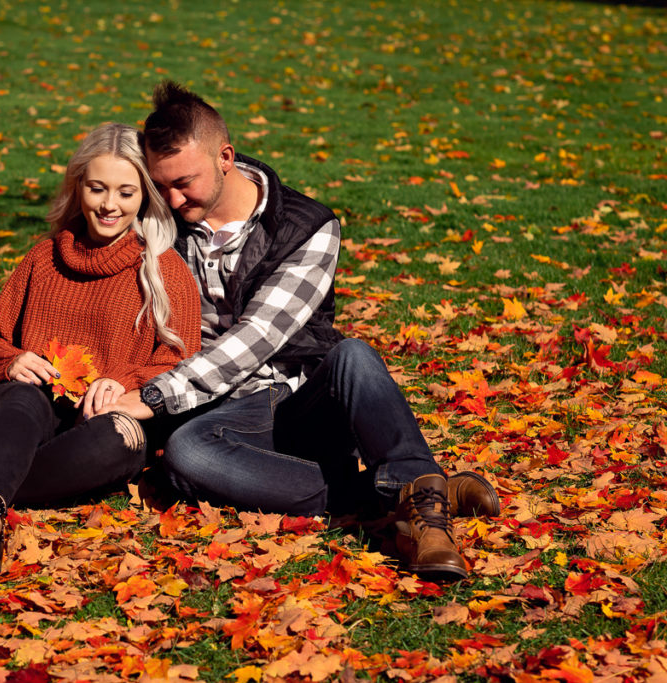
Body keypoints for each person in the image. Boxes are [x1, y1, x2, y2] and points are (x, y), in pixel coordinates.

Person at [100, 82, 499, 581]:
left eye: (184, 182)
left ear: (225, 156)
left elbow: (259, 336)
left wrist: (156, 397)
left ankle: (426, 520)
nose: (173, 199)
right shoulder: (161, 217)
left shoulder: (308, 226)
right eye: (161, 186)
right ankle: (414, 491)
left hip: (300, 398)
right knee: (188, 455)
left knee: (353, 355)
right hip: (222, 410)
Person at [0, 122, 202, 568]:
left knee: (118, 440)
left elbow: (183, 360)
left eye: (126, 192)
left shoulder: (163, 270)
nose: (109, 205)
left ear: (145, 195)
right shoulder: (44, 258)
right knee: (22, 400)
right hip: (28, 411)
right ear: (78, 187)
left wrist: (123, 383)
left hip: (105, 419)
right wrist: (12, 361)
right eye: (97, 188)